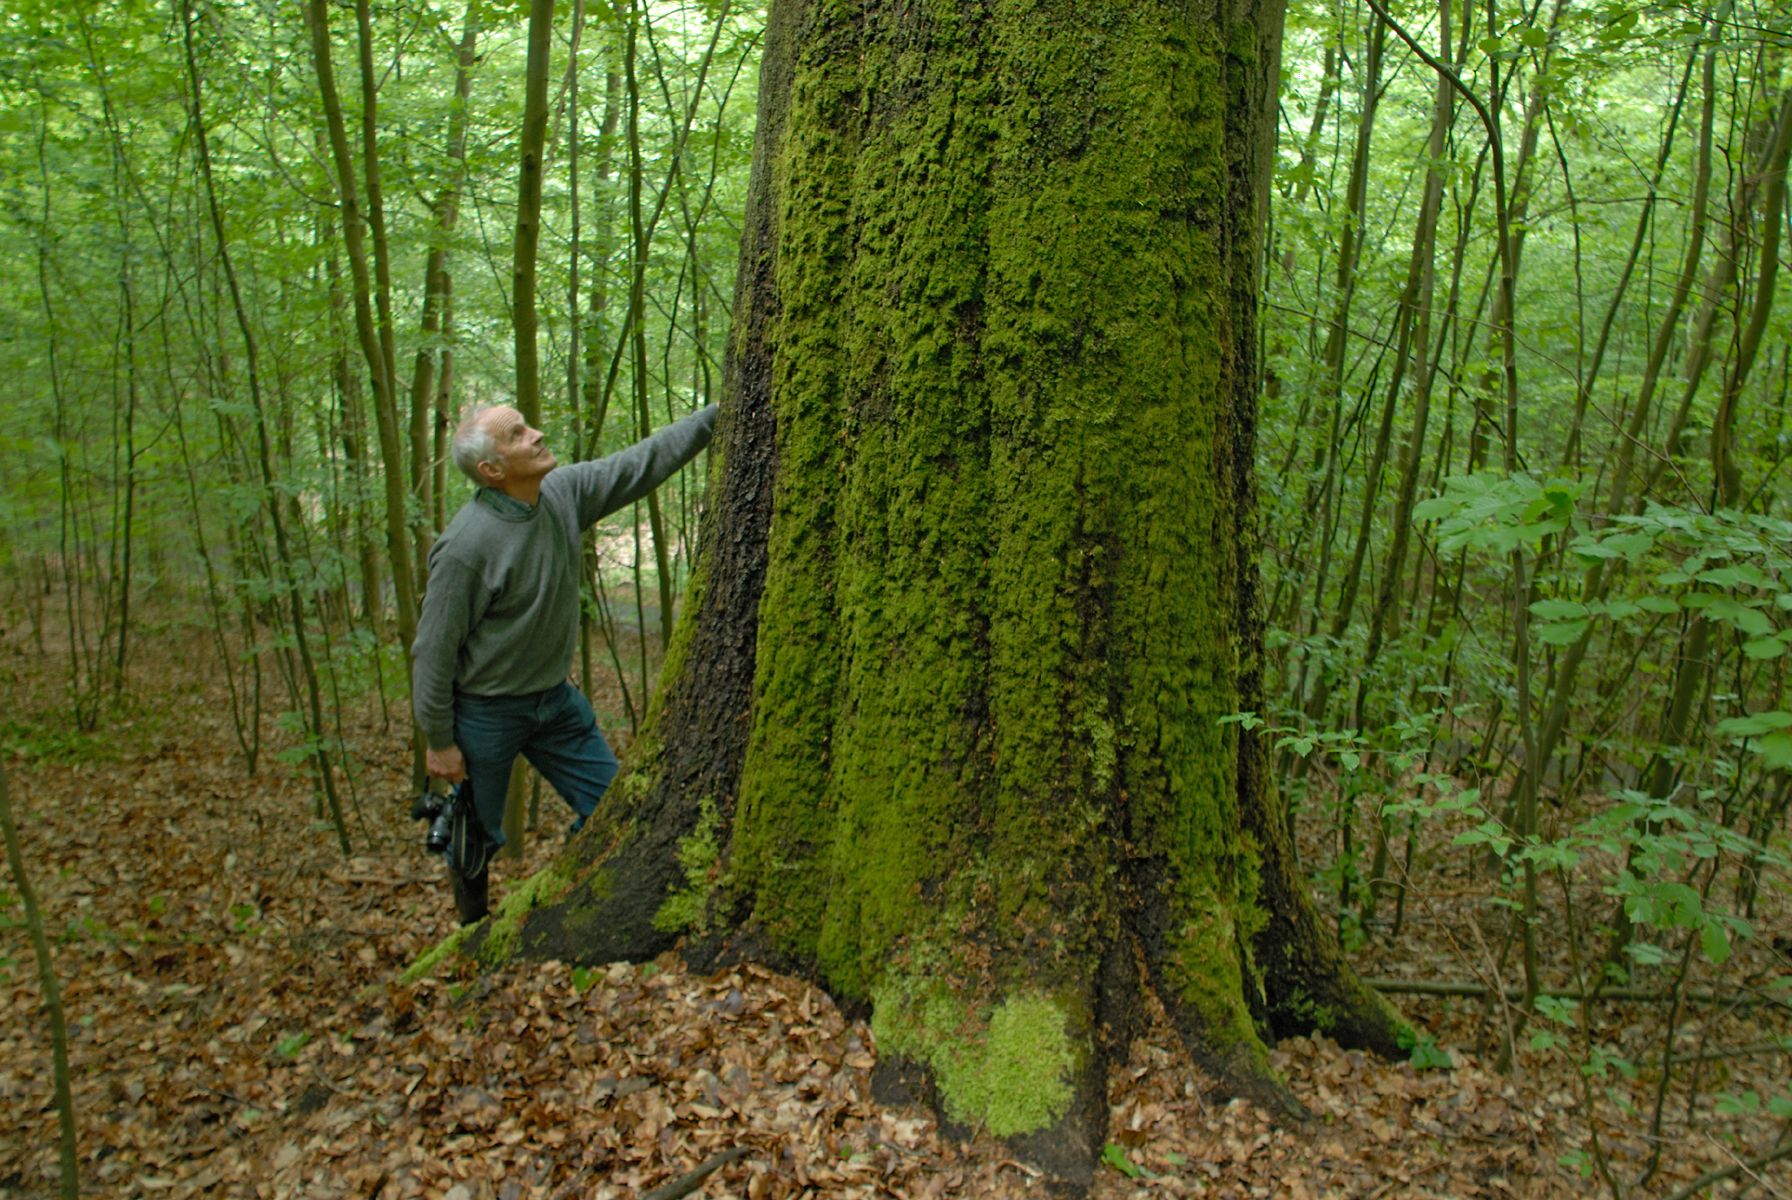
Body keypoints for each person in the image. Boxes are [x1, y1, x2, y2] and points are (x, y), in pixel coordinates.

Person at [411, 401, 717, 923]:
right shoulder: (465, 548)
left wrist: (715, 415)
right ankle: (472, 932)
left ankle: (565, 891)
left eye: (527, 425)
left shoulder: (562, 493)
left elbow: (639, 464)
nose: (536, 434)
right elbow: (433, 650)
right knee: (473, 837)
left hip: (554, 701)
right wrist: (439, 739)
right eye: (517, 434)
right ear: (492, 469)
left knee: (615, 806)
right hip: (484, 714)